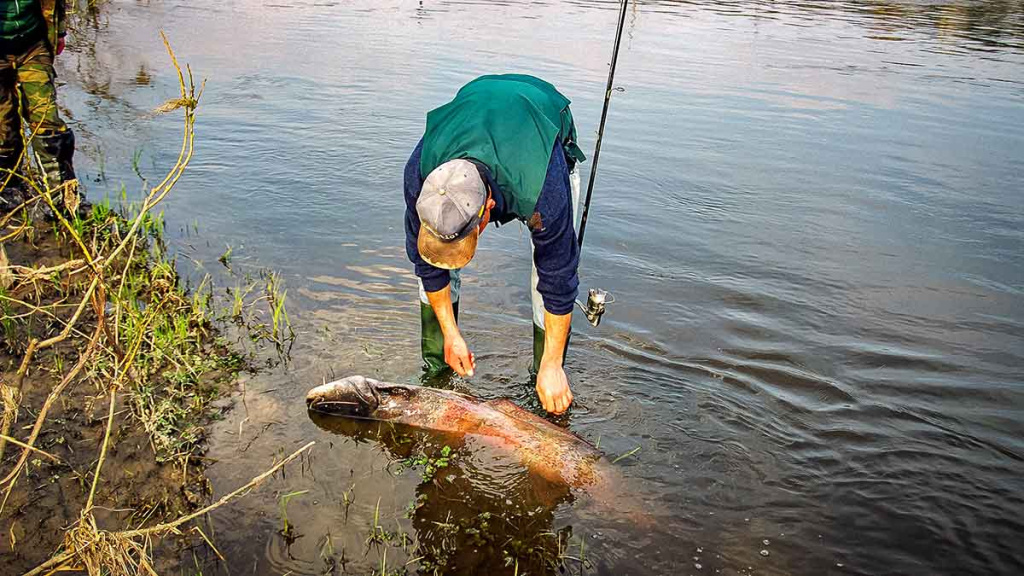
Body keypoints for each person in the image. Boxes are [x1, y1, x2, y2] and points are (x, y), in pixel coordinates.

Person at [404, 74, 587, 415]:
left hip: (542, 125)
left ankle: (545, 374)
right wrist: (450, 332)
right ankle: (438, 364)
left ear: (487, 212)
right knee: (430, 263)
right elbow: (424, 261)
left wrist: (552, 363)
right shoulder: (421, 177)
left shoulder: (546, 191)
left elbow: (559, 280)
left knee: (545, 278)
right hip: (477, 105)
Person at [0, 0, 79, 212]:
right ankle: (7, 187)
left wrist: (60, 32)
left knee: (46, 118)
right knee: (2, 124)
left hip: (33, 46)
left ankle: (63, 197)